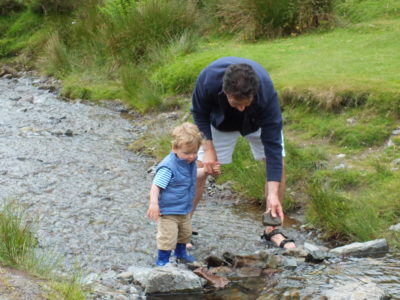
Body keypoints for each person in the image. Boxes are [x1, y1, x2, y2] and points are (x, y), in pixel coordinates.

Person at [190, 57, 295, 249]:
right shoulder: (208, 79)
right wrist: (209, 149)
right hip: (218, 123)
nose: (240, 109)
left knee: (278, 163)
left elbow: (273, 148)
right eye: (235, 103)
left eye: (246, 103)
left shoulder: (266, 94)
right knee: (197, 167)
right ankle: (182, 228)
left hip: (256, 122)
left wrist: (273, 194)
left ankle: (272, 229)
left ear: (254, 93)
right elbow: (198, 112)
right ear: (225, 91)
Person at [146, 122, 220, 266]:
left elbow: (193, 175)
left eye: (194, 152)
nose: (191, 157)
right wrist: (154, 204)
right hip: (168, 211)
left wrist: (205, 171)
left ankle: (181, 253)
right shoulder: (168, 167)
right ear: (175, 148)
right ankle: (163, 260)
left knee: (185, 234)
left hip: (184, 208)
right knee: (168, 237)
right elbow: (156, 186)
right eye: (187, 153)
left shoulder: (189, 162)